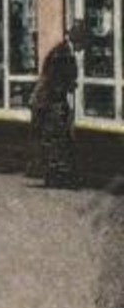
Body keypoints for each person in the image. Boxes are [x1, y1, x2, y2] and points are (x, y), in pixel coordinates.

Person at [30, 21, 89, 188]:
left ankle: (57, 177)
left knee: (56, 139)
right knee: (56, 139)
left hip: (51, 100)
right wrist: (69, 86)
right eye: (82, 44)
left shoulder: (62, 50)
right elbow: (55, 80)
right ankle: (56, 178)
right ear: (77, 40)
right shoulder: (63, 54)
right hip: (50, 102)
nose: (83, 49)